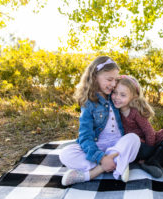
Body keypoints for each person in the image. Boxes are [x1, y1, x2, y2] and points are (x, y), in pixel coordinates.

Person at [59, 56, 141, 186]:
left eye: (115, 80)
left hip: (116, 144)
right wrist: (101, 158)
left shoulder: (114, 97)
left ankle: (91, 173)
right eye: (109, 79)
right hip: (98, 145)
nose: (114, 84)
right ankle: (117, 163)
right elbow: (85, 136)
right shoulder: (88, 103)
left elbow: (131, 93)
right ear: (95, 77)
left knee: (134, 139)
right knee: (66, 154)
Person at [111, 75, 163, 178]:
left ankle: (154, 160)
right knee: (137, 145)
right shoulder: (113, 112)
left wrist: (150, 148)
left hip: (150, 142)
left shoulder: (135, 112)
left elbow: (149, 132)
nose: (117, 97)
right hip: (136, 146)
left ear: (133, 97)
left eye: (123, 95)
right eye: (114, 93)